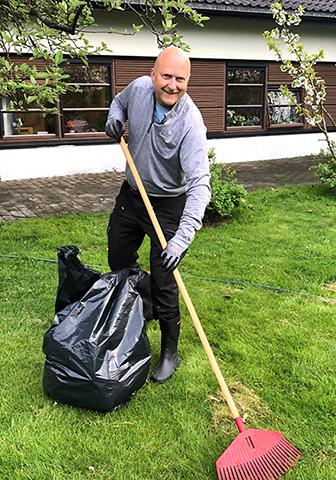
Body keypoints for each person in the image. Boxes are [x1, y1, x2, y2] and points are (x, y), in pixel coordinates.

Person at [105, 47, 211, 384]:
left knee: (167, 280)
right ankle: (144, 293)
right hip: (131, 195)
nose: (173, 85)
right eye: (167, 76)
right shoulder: (137, 89)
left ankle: (169, 352)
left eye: (181, 79)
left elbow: (200, 186)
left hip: (167, 206)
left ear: (187, 82)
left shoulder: (191, 123)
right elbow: (118, 104)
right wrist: (113, 119)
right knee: (118, 258)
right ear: (153, 75)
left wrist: (180, 242)